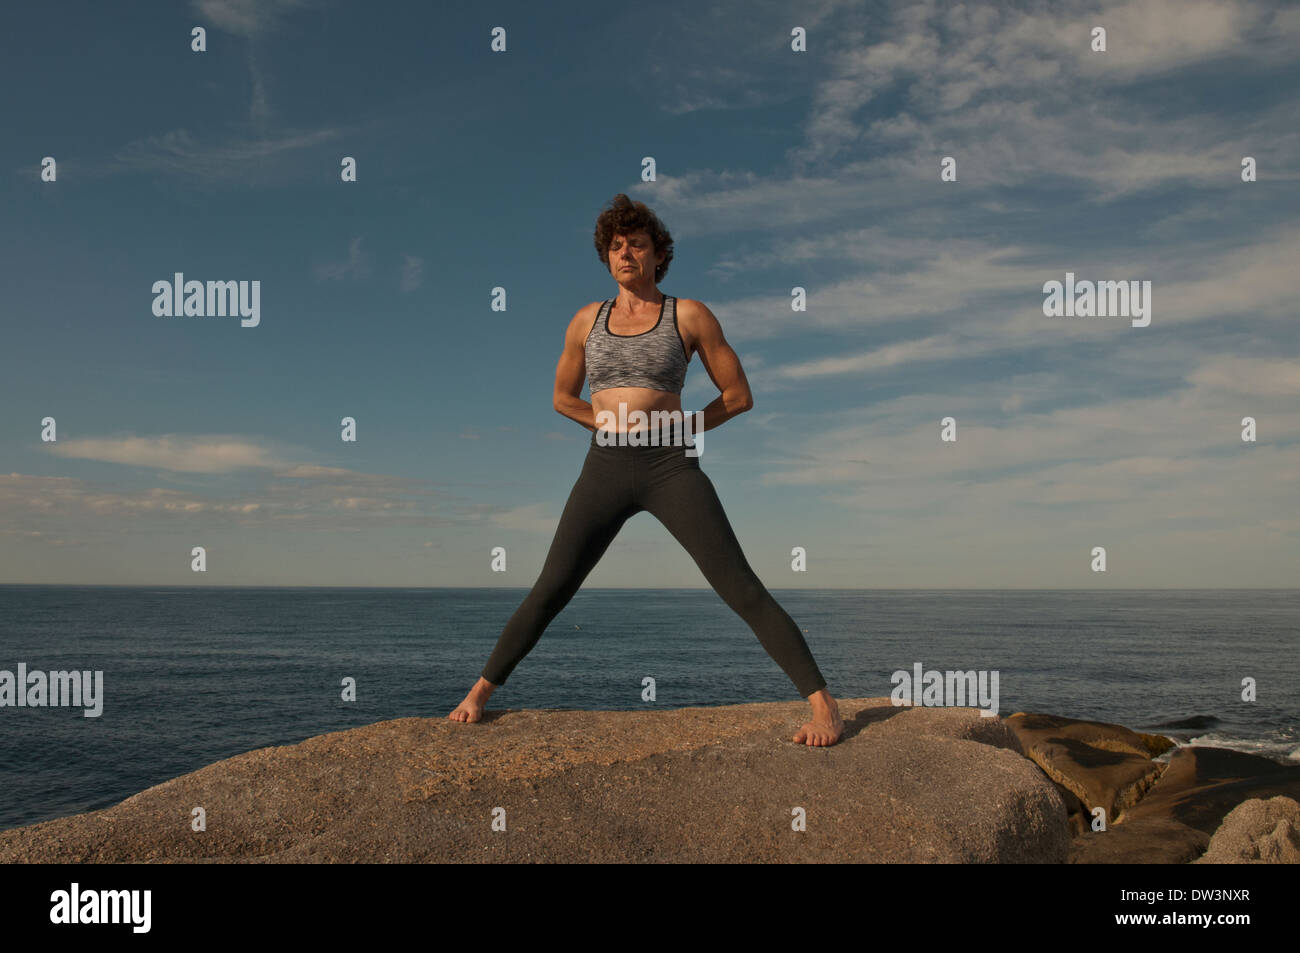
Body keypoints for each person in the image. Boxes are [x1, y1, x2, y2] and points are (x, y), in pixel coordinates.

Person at [449, 194, 844, 746]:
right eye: (615, 246)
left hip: (669, 466)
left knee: (739, 585)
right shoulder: (587, 320)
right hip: (605, 465)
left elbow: (738, 396)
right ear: (606, 258)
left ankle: (824, 706)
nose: (625, 253)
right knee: (552, 587)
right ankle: (479, 693)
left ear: (659, 254)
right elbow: (563, 398)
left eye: (637, 244)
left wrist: (681, 430)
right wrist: (608, 426)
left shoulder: (689, 315)